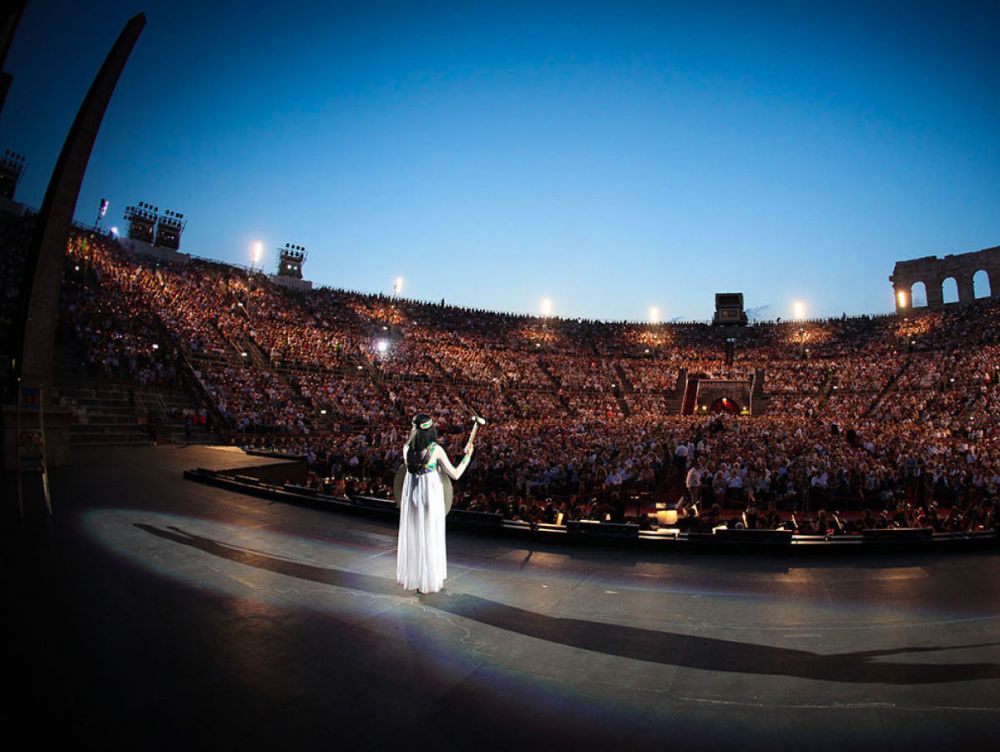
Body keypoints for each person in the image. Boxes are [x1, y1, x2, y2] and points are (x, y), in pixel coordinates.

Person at [396, 413, 474, 594]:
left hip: (412, 497)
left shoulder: (406, 448)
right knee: (430, 535)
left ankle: (416, 578)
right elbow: (455, 474)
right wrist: (467, 457)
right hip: (430, 497)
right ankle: (427, 581)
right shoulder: (435, 450)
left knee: (416, 535)